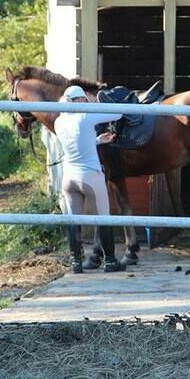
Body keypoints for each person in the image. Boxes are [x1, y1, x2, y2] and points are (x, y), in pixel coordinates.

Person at [54, 84, 125, 273]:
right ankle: (110, 261)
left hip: (69, 177)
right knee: (104, 217)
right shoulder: (86, 115)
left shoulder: (59, 121)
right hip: (90, 176)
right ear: (78, 100)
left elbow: (77, 142)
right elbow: (118, 113)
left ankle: (76, 263)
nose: (86, 101)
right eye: (84, 99)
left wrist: (97, 140)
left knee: (73, 219)